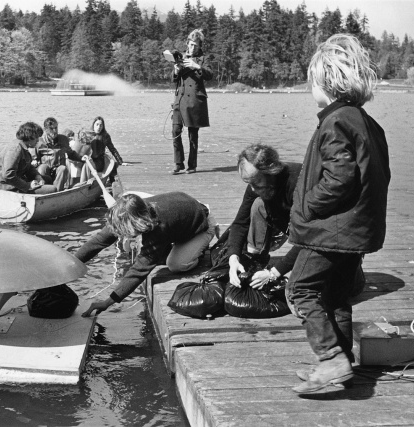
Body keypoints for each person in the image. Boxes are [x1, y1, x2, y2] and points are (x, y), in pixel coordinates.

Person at [287, 34, 391, 394]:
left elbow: (340, 177)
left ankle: (331, 357)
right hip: (356, 229)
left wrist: (306, 206)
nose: (310, 88)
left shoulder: (335, 122)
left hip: (331, 230)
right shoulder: (365, 121)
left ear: (326, 82)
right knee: (336, 296)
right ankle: (342, 362)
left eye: (312, 82)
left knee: (301, 288)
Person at [77, 192, 217, 317]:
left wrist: (108, 301)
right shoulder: (126, 212)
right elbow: (99, 241)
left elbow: (139, 270)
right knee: (146, 251)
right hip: (181, 215)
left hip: (202, 224)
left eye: (123, 230)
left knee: (175, 265)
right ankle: (178, 243)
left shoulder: (158, 229)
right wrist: (70, 262)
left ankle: (199, 251)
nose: (120, 234)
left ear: (137, 222)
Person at [210, 144, 302, 289]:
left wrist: (274, 273)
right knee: (258, 203)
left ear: (271, 172)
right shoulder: (258, 184)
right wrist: (233, 257)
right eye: (248, 183)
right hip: (284, 223)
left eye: (256, 183)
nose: (252, 189)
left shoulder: (298, 183)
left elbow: (312, 237)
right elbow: (241, 223)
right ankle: (257, 259)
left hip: (321, 235)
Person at [170, 29, 213, 175]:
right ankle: (178, 163)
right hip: (180, 98)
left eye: (195, 45)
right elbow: (173, 79)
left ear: (200, 46)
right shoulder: (180, 57)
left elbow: (210, 75)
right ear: (187, 43)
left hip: (195, 100)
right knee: (175, 131)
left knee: (192, 135)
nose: (192, 47)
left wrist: (197, 66)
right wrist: (176, 71)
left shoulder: (203, 59)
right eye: (191, 44)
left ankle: (192, 165)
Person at [0, 121, 57, 194]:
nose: (38, 140)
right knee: (53, 189)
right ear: (29, 137)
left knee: (48, 179)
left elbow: (28, 166)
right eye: (36, 138)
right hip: (7, 188)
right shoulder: (15, 149)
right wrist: (28, 186)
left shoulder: (23, 147)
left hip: (16, 184)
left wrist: (37, 176)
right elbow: (8, 175)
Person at [33, 117, 83, 191]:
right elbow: (34, 159)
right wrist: (34, 161)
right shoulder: (39, 142)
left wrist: (82, 158)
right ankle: (43, 190)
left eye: (56, 128)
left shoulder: (64, 140)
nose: (55, 131)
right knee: (42, 167)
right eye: (51, 128)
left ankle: (56, 193)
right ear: (45, 130)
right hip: (46, 172)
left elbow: (71, 154)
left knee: (63, 168)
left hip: (59, 171)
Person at [80, 116, 125, 183]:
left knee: (86, 165)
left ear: (103, 127)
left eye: (101, 125)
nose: (99, 127)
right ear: (93, 125)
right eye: (97, 124)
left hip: (99, 162)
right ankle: (81, 182)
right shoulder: (88, 135)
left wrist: (120, 161)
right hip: (89, 159)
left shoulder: (105, 136)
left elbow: (112, 149)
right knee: (82, 164)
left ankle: (83, 183)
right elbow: (81, 148)